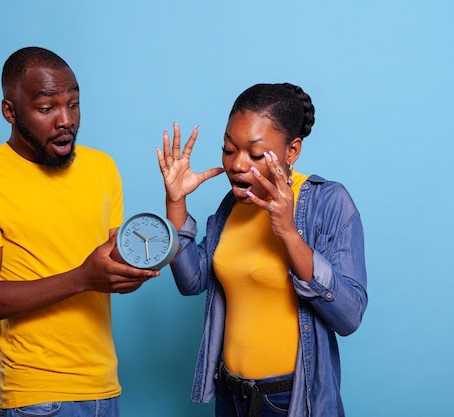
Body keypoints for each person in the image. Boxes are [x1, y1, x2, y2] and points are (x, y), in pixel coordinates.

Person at [0, 46, 159, 417]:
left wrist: (133, 269)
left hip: (105, 388)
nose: (66, 120)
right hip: (38, 396)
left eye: (74, 104)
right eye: (47, 108)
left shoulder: (102, 168)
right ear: (10, 112)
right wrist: (83, 277)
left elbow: (113, 262)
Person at [156, 83, 367, 416]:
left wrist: (289, 234)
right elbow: (191, 282)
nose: (238, 164)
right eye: (229, 149)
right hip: (230, 395)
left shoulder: (328, 203)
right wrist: (176, 202)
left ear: (292, 150)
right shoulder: (232, 206)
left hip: (289, 400)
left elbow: (350, 315)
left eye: (255, 154)